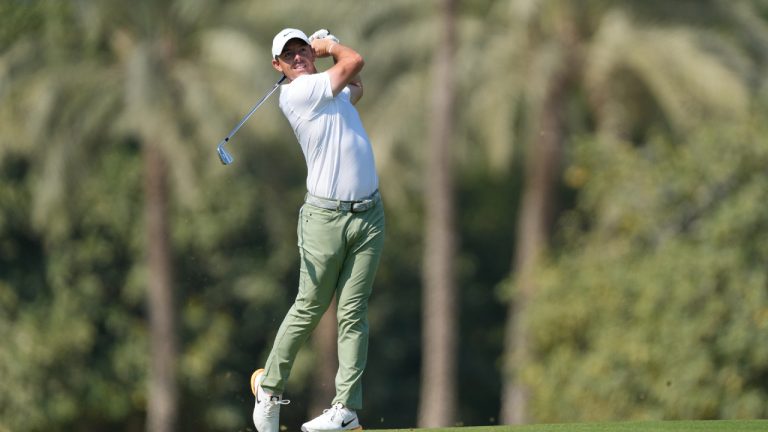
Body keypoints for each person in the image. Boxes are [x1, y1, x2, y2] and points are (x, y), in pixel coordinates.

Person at [250, 28, 385, 432]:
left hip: (369, 216)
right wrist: (328, 48)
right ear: (278, 66)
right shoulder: (296, 95)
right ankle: (269, 392)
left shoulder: (332, 93)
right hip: (324, 220)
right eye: (288, 55)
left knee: (353, 312)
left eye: (301, 50)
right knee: (309, 307)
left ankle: (345, 409)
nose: (297, 58)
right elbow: (355, 61)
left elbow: (355, 82)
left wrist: (325, 54)